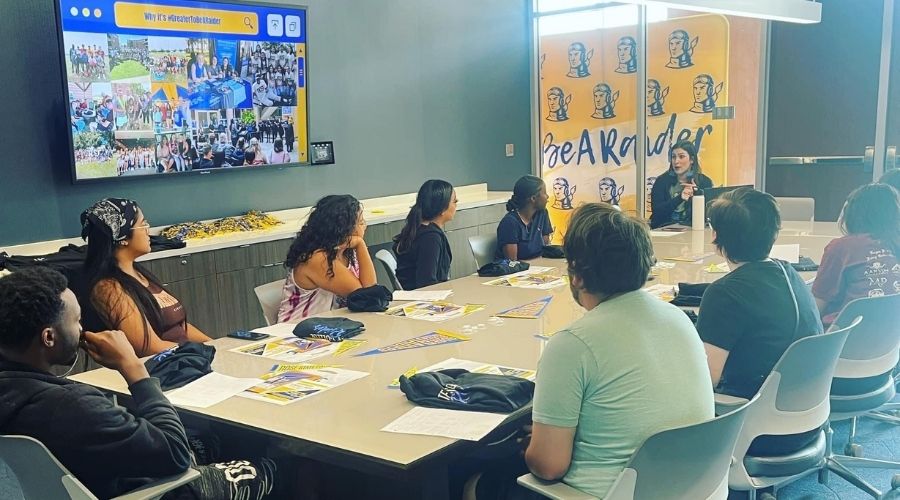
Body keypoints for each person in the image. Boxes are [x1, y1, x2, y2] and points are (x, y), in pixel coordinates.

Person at [0, 267, 279, 499]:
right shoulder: (70, 405)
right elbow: (176, 454)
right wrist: (133, 367)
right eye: (77, 321)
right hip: (148, 490)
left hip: (70, 484)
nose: (83, 330)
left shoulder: (19, 394)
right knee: (277, 466)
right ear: (49, 338)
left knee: (221, 438)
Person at [524, 203, 713, 497]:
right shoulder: (680, 318)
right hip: (696, 489)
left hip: (608, 494)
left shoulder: (573, 345)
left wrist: (535, 443)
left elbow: (549, 466)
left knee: (484, 479)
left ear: (576, 275)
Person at [698, 188, 823, 398]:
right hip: (804, 403)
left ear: (715, 236)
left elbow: (706, 380)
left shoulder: (724, 294)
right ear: (774, 234)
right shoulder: (788, 272)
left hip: (750, 410)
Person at [82, 198, 212, 356]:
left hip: (187, 358)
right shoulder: (109, 288)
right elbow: (148, 347)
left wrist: (214, 346)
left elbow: (178, 327)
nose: (148, 230)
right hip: (169, 368)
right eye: (143, 224)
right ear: (122, 238)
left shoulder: (138, 273)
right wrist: (200, 354)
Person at [813, 183, 900, 329]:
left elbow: (816, 306)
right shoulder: (895, 244)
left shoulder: (842, 247)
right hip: (891, 339)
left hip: (846, 338)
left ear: (852, 212)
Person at [277, 195, 377, 323]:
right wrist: (361, 244)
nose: (365, 226)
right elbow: (365, 296)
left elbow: (372, 290)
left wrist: (360, 246)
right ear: (344, 229)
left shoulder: (347, 252)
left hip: (332, 326)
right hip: (297, 333)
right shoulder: (317, 258)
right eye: (361, 222)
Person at [393, 180, 457, 290]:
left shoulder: (418, 229)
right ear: (442, 208)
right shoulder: (430, 238)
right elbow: (427, 283)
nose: (456, 205)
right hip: (424, 300)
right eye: (454, 201)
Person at [649, 140, 713, 228]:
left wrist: (697, 195)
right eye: (673, 157)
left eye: (681, 156)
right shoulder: (661, 181)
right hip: (663, 230)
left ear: (692, 159)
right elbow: (657, 213)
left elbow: (709, 215)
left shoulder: (704, 182)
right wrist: (680, 198)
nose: (676, 161)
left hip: (692, 231)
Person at [496, 175, 553, 261]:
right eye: (544, 193)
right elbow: (512, 262)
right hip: (516, 271)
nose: (547, 196)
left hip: (537, 267)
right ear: (533, 198)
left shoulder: (542, 214)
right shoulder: (509, 223)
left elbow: (545, 250)